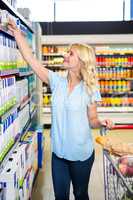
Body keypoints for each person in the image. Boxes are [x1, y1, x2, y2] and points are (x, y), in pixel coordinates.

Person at [7, 19, 113, 200]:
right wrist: (17, 33)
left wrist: (101, 121)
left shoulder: (90, 88)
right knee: (60, 196)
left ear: (81, 61)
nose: (65, 55)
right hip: (59, 154)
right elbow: (31, 60)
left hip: (81, 155)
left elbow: (92, 119)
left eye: (70, 54)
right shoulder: (56, 82)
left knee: (80, 194)